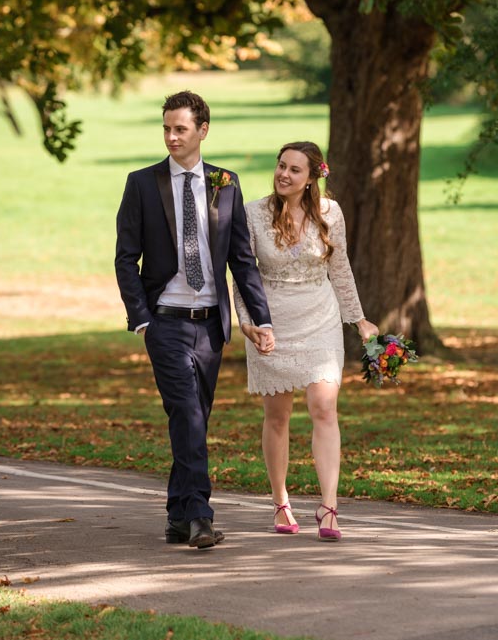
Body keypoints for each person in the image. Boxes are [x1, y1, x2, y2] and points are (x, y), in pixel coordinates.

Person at [115, 90, 275, 550]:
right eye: (166, 128)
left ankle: (176, 514)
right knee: (187, 412)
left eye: (180, 128)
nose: (171, 137)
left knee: (193, 419)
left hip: (210, 324)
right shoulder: (142, 183)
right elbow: (126, 258)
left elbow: (242, 260)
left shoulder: (226, 182)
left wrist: (260, 320)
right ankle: (201, 516)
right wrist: (141, 319)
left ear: (202, 130)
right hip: (164, 321)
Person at [234, 141, 378, 542]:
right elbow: (244, 275)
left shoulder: (330, 214)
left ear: (313, 176)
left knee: (324, 408)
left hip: (320, 315)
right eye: (281, 166)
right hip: (271, 320)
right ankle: (280, 499)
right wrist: (249, 324)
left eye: (294, 170)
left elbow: (341, 268)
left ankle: (329, 505)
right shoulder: (254, 213)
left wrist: (358, 319)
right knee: (278, 416)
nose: (284, 174)